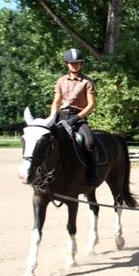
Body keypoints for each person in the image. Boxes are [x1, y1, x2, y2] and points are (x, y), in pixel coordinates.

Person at [50, 48, 98, 186]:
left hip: (78, 118)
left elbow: (91, 105)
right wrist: (53, 117)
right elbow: (56, 102)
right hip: (61, 116)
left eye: (77, 63)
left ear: (81, 64)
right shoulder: (61, 81)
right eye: (71, 63)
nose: (74, 65)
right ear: (67, 64)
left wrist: (76, 118)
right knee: (46, 140)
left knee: (89, 142)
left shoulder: (87, 82)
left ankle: (92, 171)